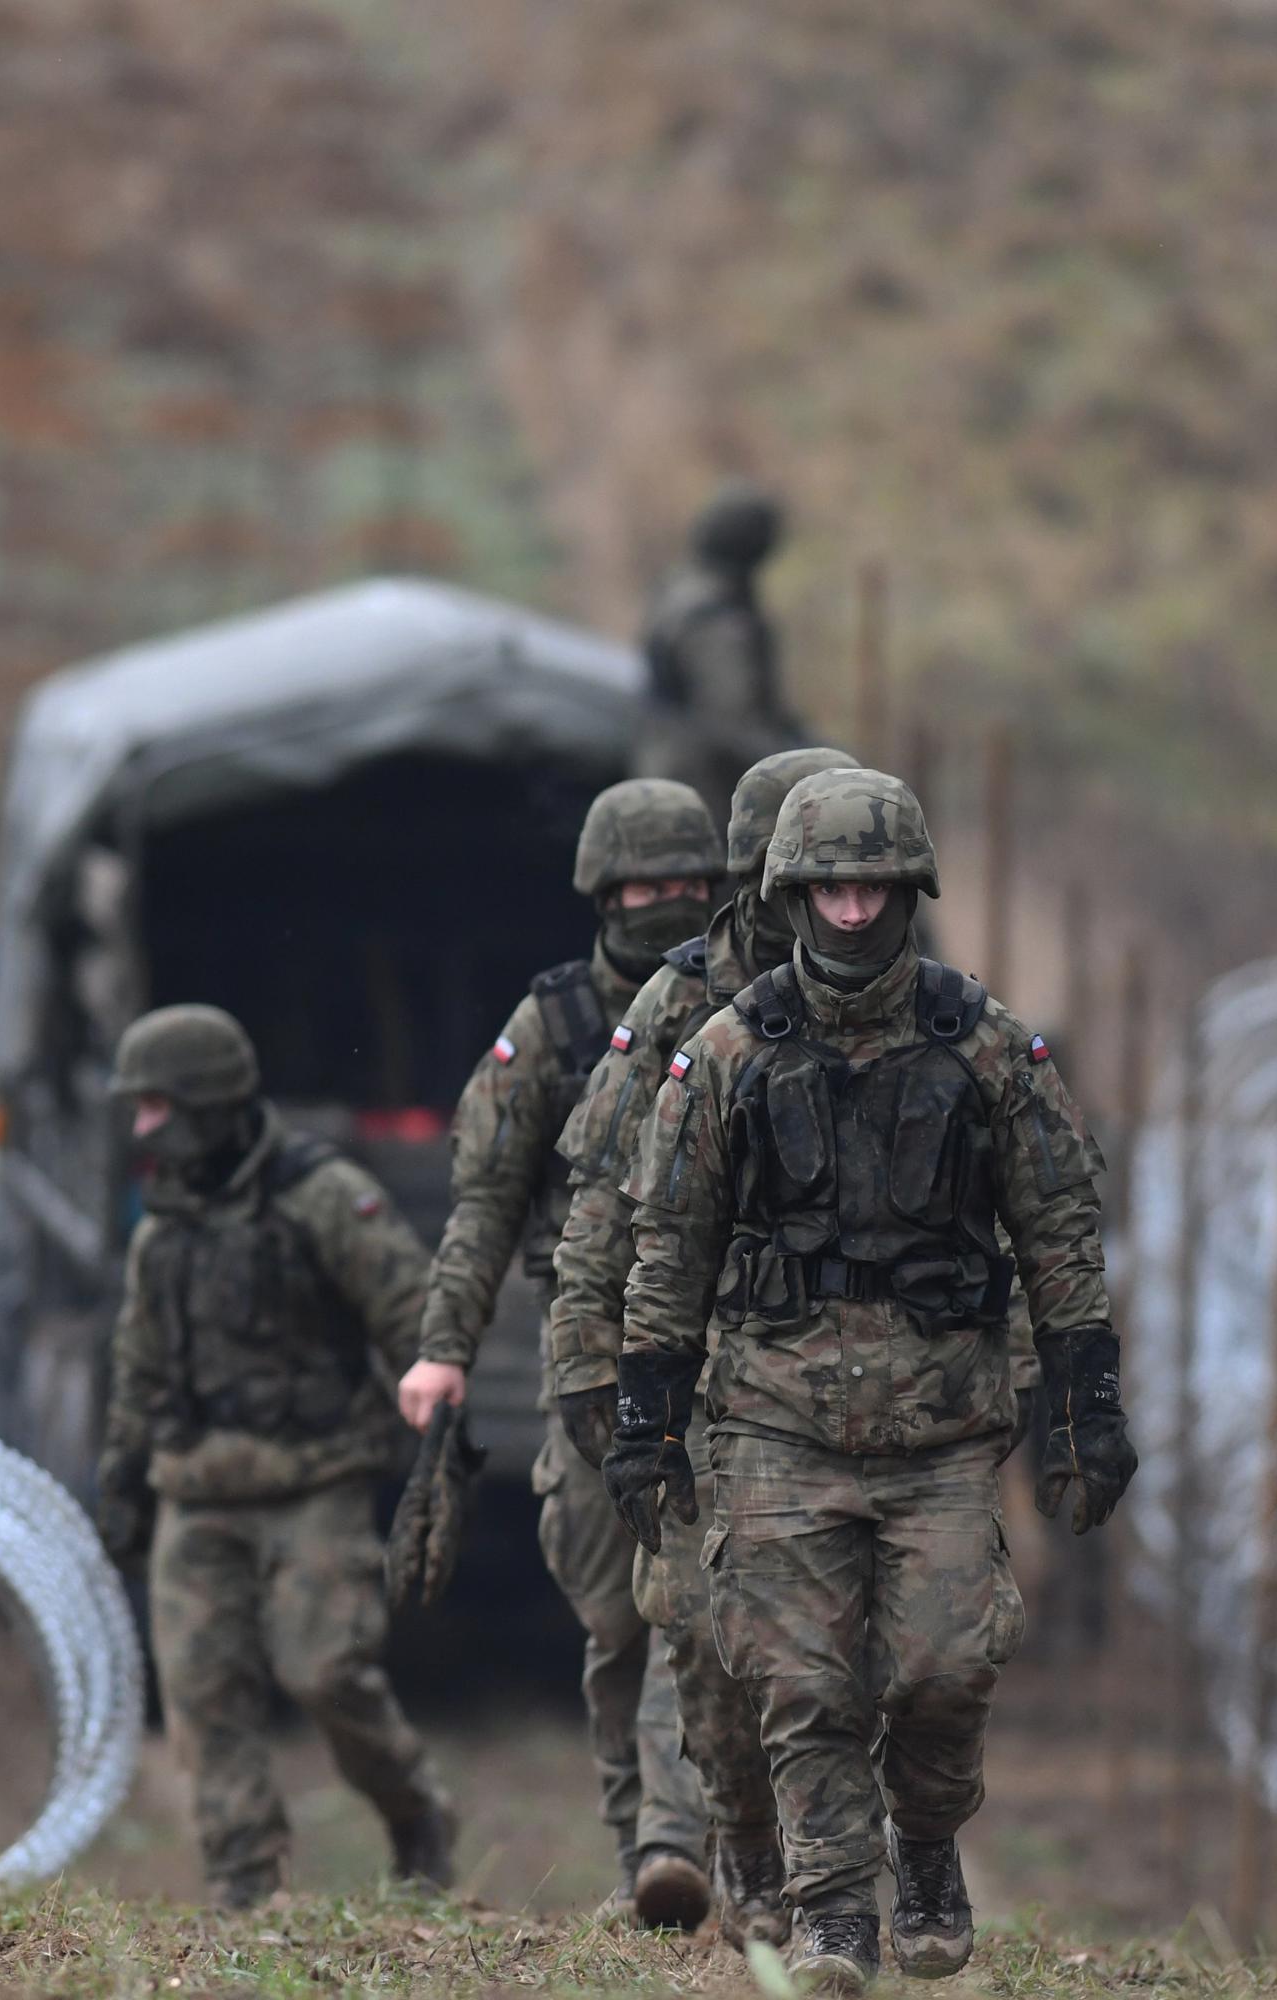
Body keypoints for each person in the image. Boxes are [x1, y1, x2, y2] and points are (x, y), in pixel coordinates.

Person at [609, 767, 1139, 1990]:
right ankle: (836, 1911)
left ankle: (931, 1846)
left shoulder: (988, 1047)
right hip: (772, 1425)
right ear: (794, 894)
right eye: (832, 887)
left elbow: (1058, 1225)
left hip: (943, 1430)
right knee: (799, 1684)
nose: (853, 911)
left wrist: (1086, 1401)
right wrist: (645, 1415)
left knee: (944, 1671)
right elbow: (671, 1243)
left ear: (910, 891)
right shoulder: (727, 1052)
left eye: (875, 887)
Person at [540, 745, 860, 1946]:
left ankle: (820, 1882)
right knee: (688, 1617)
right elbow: (602, 1204)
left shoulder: (908, 1012)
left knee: (848, 1641)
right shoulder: (677, 1004)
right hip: (700, 1365)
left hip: (847, 1379)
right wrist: (593, 1366)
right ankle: (705, 1849)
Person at [398, 778, 725, 1926]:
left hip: (723, 1352)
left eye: (691, 884)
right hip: (586, 1351)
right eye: (648, 885)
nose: (669, 902)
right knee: (613, 1609)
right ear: (603, 889)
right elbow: (481, 1205)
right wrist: (443, 1352)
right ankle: (644, 1844)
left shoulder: (748, 1008)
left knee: (701, 1599)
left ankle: (690, 1848)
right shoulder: (550, 1029)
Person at [90, 1004, 454, 1909]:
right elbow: (138, 1362)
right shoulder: (161, 1227)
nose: (141, 1127)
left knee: (327, 1670)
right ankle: (247, 1886)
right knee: (203, 1692)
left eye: (154, 1107)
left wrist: (440, 1420)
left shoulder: (320, 1195)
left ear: (208, 1104)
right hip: (196, 1486)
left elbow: (412, 1306)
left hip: (314, 1475)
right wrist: (124, 1473)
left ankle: (414, 1810)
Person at [635, 481, 801, 824]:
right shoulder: (716, 619)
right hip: (706, 794)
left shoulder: (679, 590)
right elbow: (733, 721)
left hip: (667, 775)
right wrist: (800, 771)